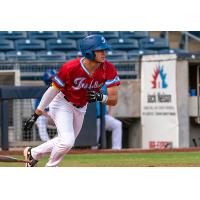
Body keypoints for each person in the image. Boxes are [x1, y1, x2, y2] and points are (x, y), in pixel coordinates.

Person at [23, 34, 121, 167]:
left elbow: (114, 100)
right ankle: (51, 167)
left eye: (104, 49)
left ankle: (33, 153)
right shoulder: (70, 67)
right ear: (89, 52)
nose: (104, 53)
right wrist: (37, 113)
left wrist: (100, 97)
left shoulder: (108, 68)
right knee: (67, 142)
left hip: (81, 107)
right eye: (100, 50)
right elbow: (53, 90)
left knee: (65, 140)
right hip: (62, 103)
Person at [35, 69, 57, 142]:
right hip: (46, 116)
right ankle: (47, 142)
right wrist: (48, 116)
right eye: (52, 78)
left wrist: (54, 116)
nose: (54, 79)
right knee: (40, 119)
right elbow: (37, 109)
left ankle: (56, 142)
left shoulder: (60, 90)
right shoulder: (42, 92)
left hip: (57, 115)